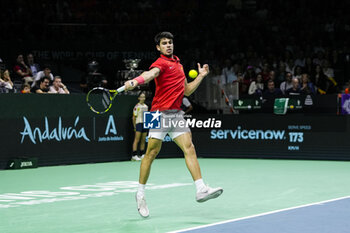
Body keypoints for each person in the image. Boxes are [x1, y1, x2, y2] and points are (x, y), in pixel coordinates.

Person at [124, 32, 223, 218]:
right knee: (151, 153)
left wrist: (201, 76)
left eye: (170, 42)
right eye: (164, 43)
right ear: (158, 47)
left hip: (177, 113)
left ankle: (201, 188)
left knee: (189, 148)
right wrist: (135, 81)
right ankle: (140, 193)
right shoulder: (159, 63)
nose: (168, 45)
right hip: (157, 113)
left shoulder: (179, 65)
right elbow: (150, 74)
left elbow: (186, 90)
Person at [131, 92, 148, 161]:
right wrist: (134, 126)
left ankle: (142, 154)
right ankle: (134, 155)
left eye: (143, 97)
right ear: (138, 98)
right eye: (141, 97)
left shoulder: (146, 106)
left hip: (145, 124)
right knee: (137, 140)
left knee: (143, 140)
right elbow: (134, 117)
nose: (142, 98)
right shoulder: (136, 107)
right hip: (138, 124)